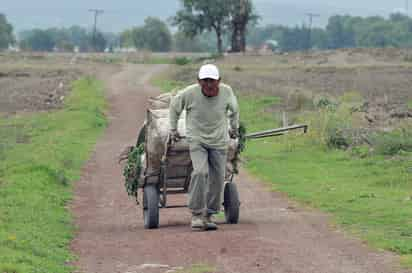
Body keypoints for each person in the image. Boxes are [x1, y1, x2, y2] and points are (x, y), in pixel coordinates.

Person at [169, 64, 239, 231]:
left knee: (218, 177)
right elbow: (174, 106)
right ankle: (196, 214)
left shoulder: (226, 92)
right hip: (197, 140)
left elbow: (235, 110)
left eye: (212, 81)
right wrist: (173, 129)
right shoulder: (190, 93)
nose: (208, 85)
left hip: (219, 141)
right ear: (198, 81)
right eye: (205, 81)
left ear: (219, 81)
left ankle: (209, 214)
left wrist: (234, 128)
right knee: (200, 172)